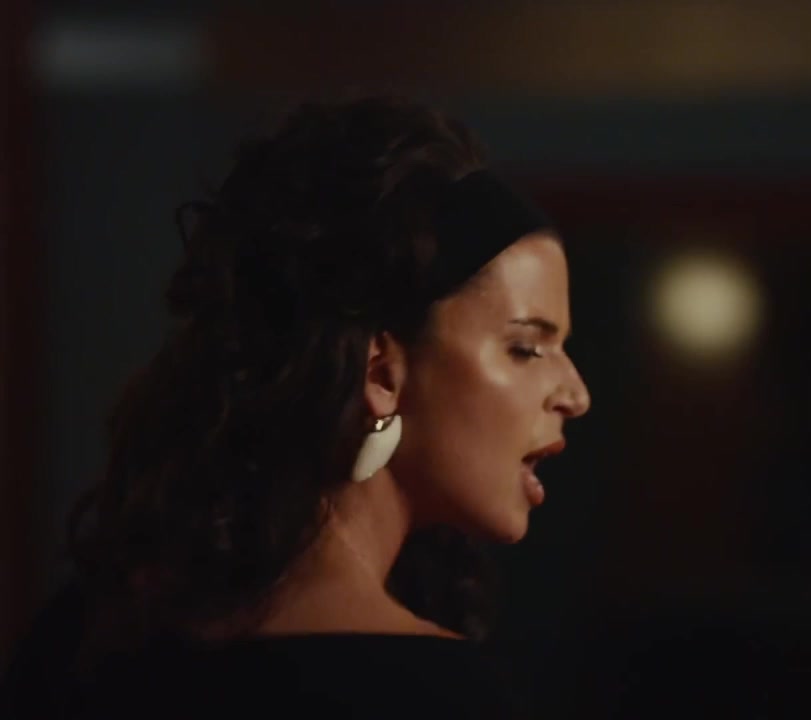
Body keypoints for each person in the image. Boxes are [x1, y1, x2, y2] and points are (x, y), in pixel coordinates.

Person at [0, 95, 590, 719]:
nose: (576, 395)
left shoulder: (81, 641)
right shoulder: (446, 697)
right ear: (381, 372)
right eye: (526, 348)